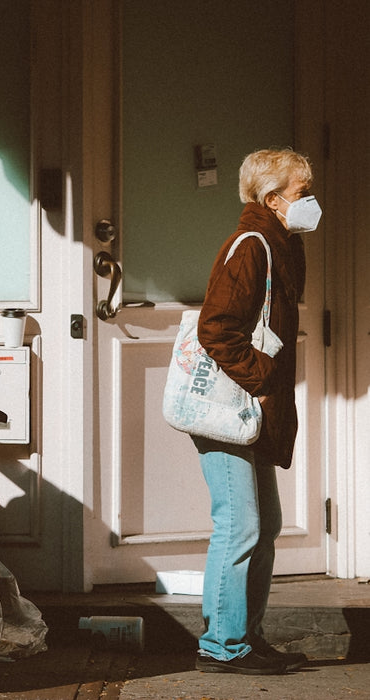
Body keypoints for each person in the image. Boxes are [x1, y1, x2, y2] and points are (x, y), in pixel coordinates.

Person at [193, 148, 322, 675]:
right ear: (272, 199)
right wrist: (265, 383)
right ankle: (222, 645)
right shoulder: (251, 247)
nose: (311, 201)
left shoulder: (279, 244)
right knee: (241, 525)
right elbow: (216, 329)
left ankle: (246, 635)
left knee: (264, 524)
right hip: (232, 405)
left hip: (252, 405)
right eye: (302, 192)